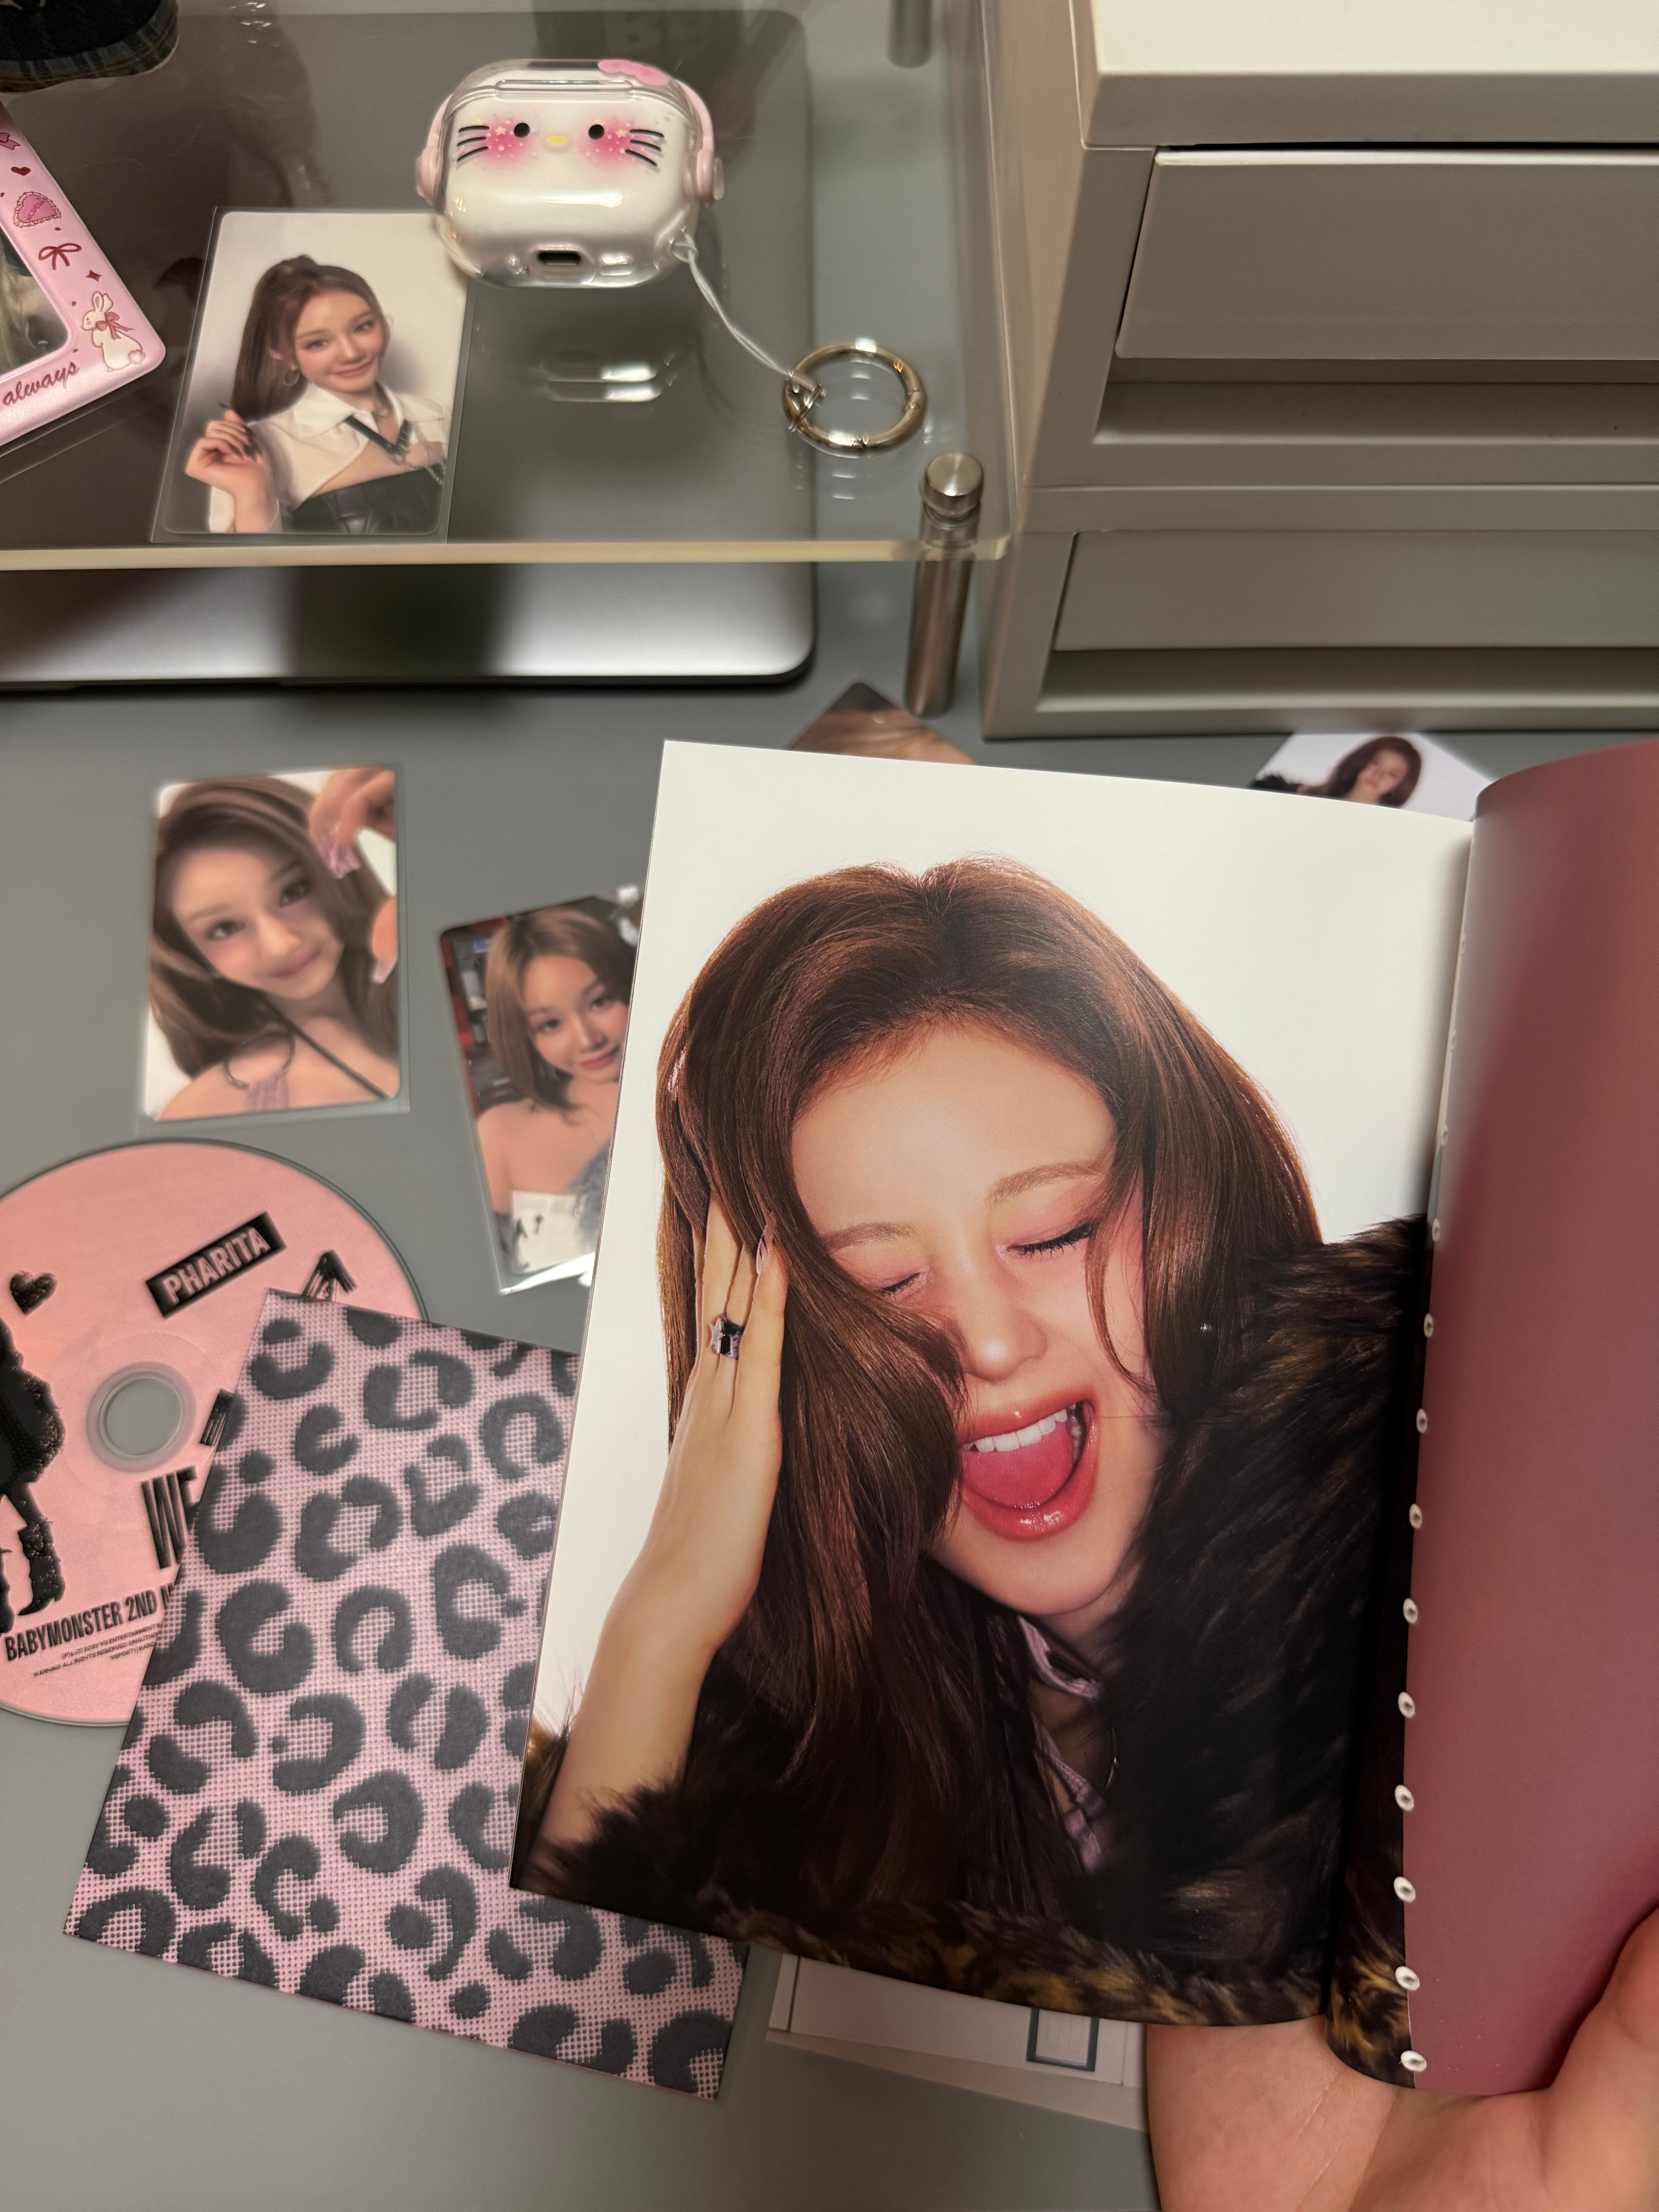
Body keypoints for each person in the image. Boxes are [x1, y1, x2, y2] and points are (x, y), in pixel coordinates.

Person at [517, 856, 1422, 2041]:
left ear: (1198, 1204)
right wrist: (662, 1621)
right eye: (884, 1285)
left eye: (1053, 1232)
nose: (987, 1342)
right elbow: (562, 2069)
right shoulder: (827, 1798)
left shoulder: (1450, 1602)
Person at [149, 768, 398, 1118]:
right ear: (185, 951)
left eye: (294, 892)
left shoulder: (448, 975)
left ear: (337, 874)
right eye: (224, 928)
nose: (281, 944)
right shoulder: (208, 1108)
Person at [184, 255, 448, 534]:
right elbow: (253, 563)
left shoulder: (438, 413)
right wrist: (253, 493)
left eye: (363, 327)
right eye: (318, 343)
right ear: (283, 354)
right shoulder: (261, 447)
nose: (351, 353)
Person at [477, 906, 633, 1275]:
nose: (587, 1039)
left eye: (600, 1001)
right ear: (525, 1037)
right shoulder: (498, 1136)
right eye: (550, 1024)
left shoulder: (704, 1098)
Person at [1254, 736, 1422, 808]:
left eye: (1392, 774)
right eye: (1375, 763)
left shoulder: (1389, 833)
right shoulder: (1287, 794)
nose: (1378, 776)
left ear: (1401, 785)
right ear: (1361, 761)